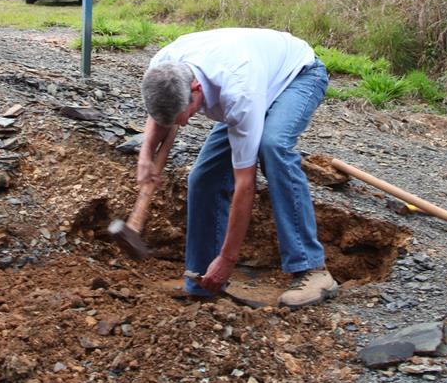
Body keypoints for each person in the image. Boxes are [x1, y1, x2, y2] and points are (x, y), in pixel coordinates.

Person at [139, 28, 337, 308]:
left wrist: (228, 258)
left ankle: (313, 270)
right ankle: (202, 280)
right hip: (256, 76)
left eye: (182, 114)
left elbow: (245, 185)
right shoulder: (164, 65)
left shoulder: (239, 92)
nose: (181, 124)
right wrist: (146, 155)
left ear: (195, 89)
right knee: (204, 177)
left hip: (298, 75)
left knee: (272, 146)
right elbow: (160, 116)